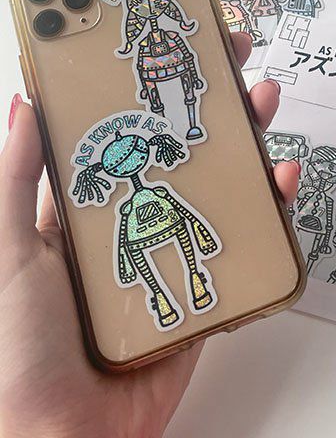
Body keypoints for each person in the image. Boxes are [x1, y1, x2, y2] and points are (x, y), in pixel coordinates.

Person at [0, 32, 299, 438]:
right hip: (142, 221)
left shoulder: (147, 194)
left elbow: (176, 215)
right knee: (167, 238)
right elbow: (148, 228)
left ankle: (185, 282)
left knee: (182, 225)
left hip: (148, 218)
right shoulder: (132, 203)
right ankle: (166, 291)